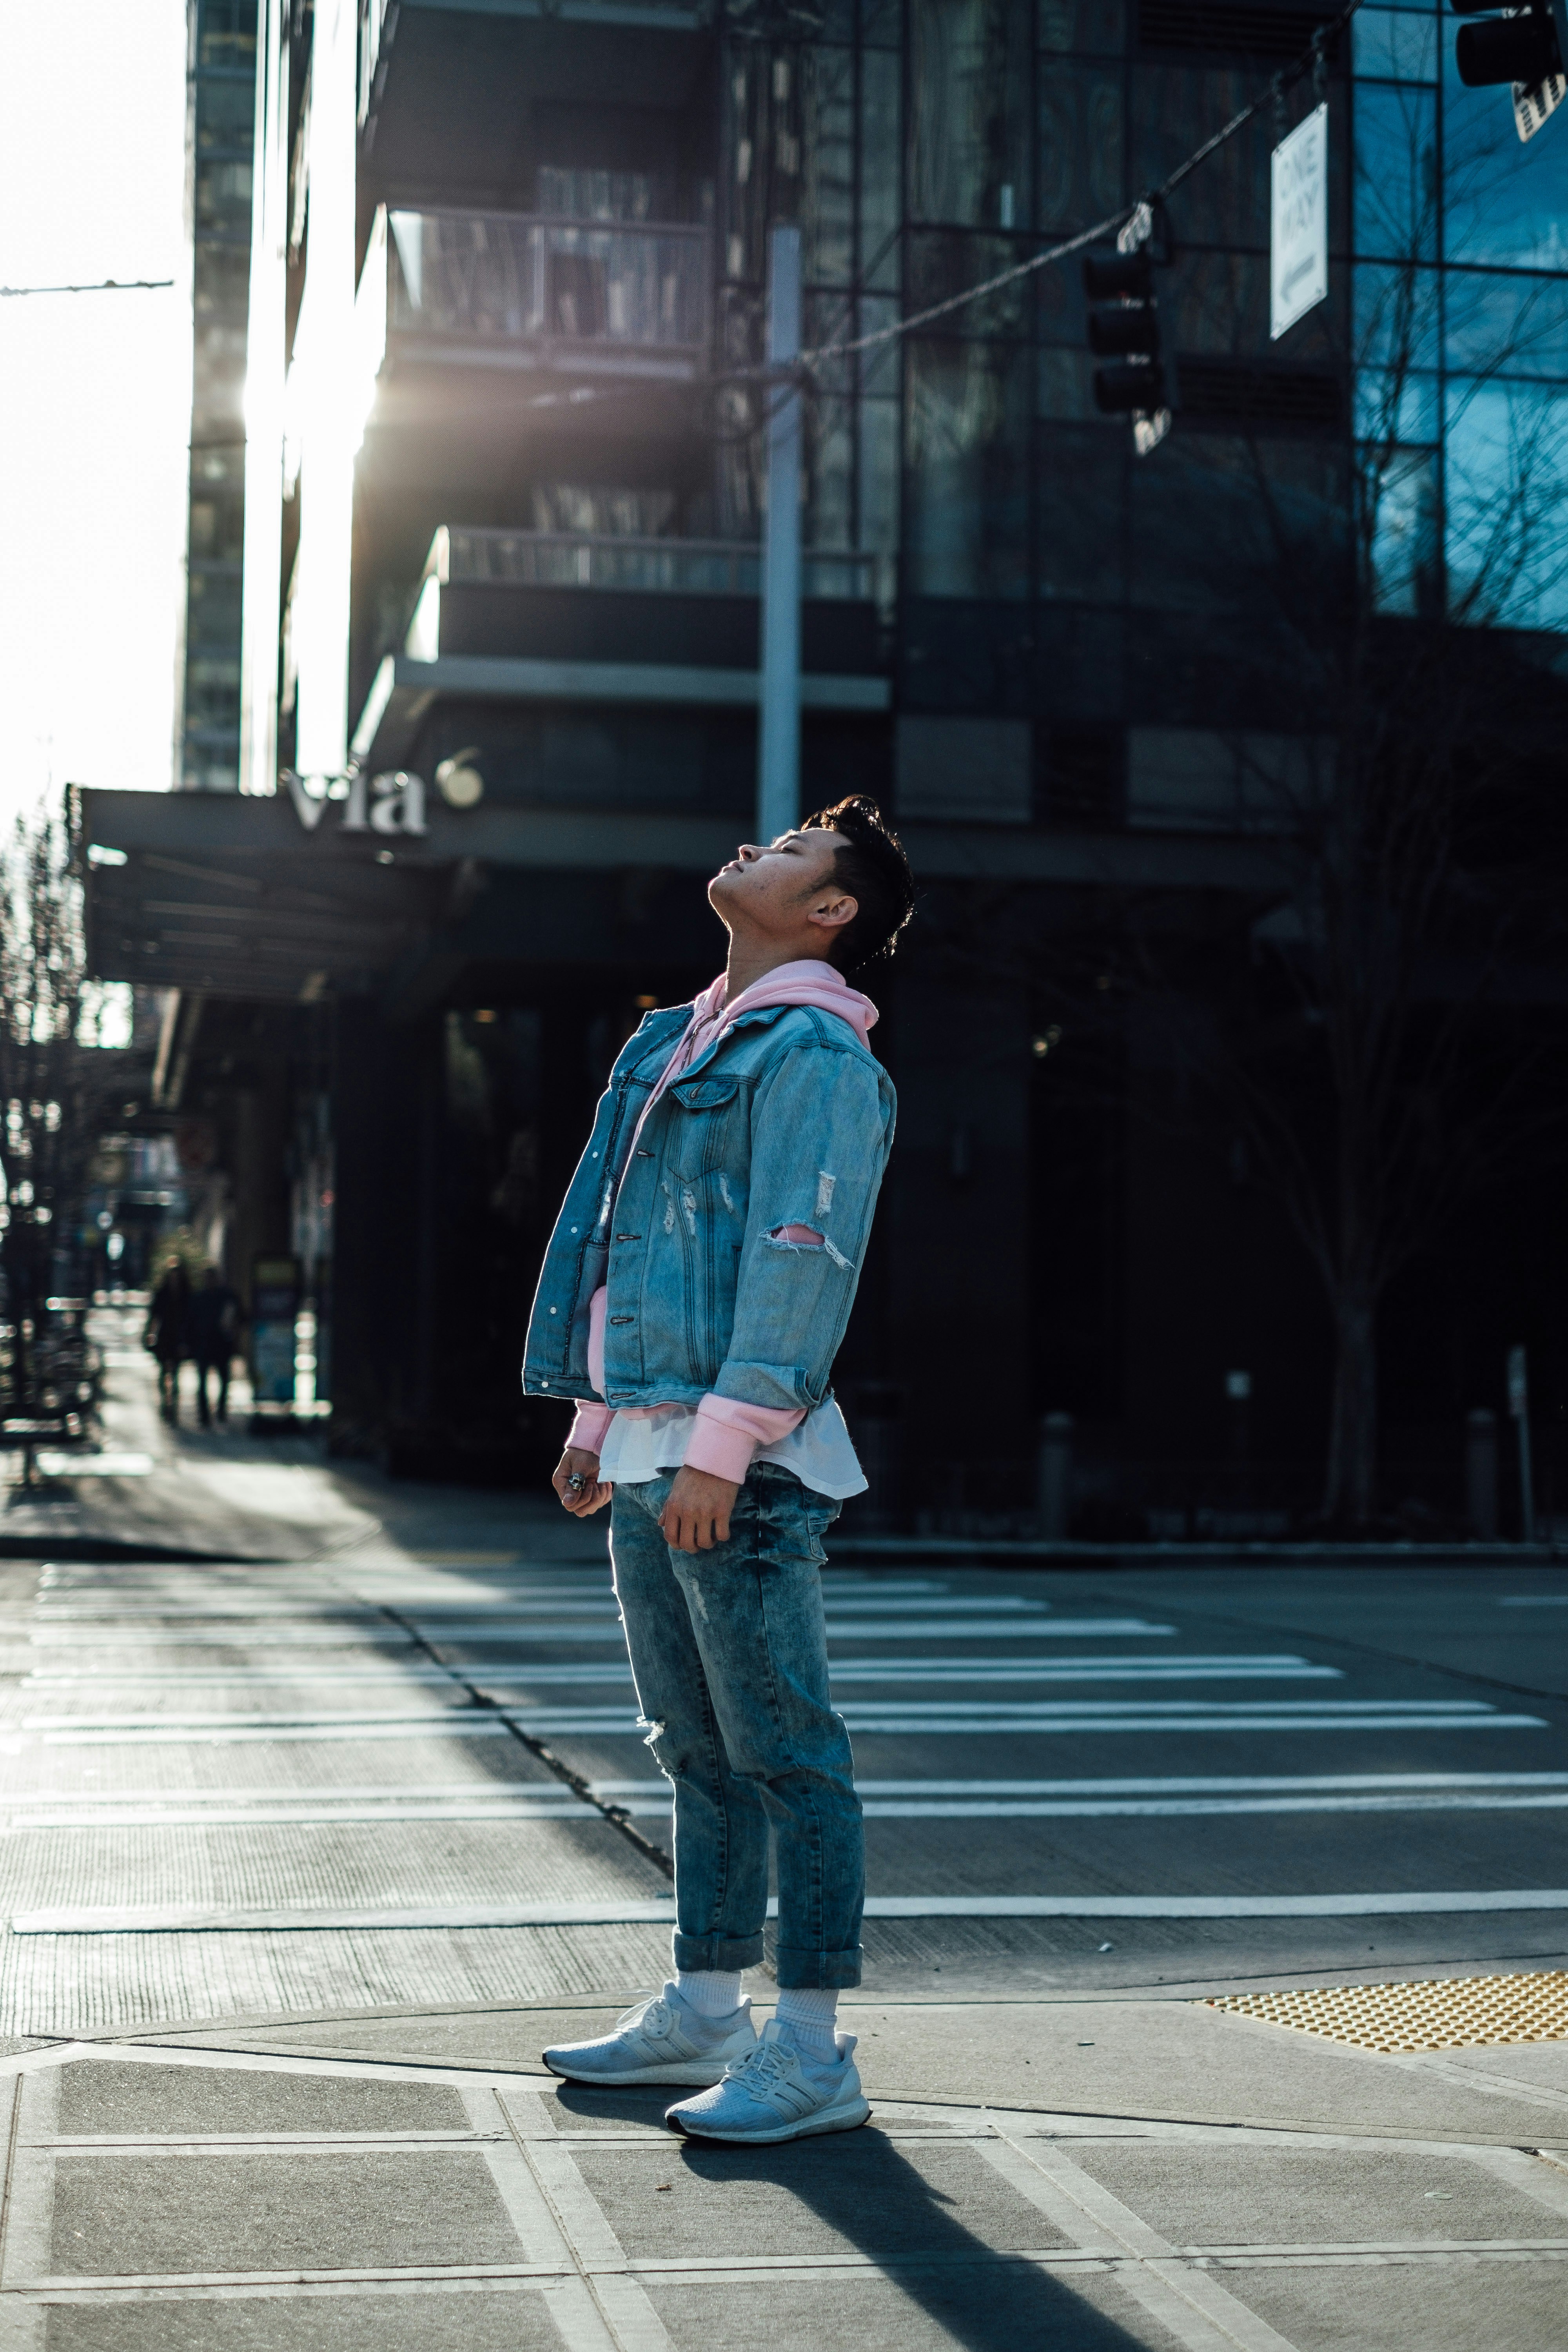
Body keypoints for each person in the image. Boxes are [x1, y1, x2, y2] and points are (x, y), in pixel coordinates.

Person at [522, 795, 914, 2145]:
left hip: (734, 1462)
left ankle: (809, 2045)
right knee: (693, 1749)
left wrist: (723, 1446)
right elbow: (627, 1241)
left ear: (832, 913)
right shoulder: (675, 1039)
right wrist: (594, 1420)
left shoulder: (815, 1055)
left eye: (796, 851)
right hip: (647, 1444)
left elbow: (801, 1258)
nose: (759, 847)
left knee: (787, 1753)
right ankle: (704, 2004)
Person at [189, 1265, 242, 1428]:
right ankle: (206, 1415)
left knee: (223, 1380)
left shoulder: (226, 1296)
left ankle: (220, 1412)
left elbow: (241, 1315)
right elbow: (191, 1322)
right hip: (205, 1345)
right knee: (204, 1381)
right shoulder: (200, 1297)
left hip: (221, 1345)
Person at [144, 1255, 192, 1423]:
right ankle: (166, 1402)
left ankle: (174, 1407)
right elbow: (154, 1315)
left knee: (177, 1374)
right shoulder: (162, 1293)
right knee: (164, 1372)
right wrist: (148, 1335)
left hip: (180, 1338)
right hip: (164, 1337)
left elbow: (191, 1318)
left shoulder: (187, 1294)